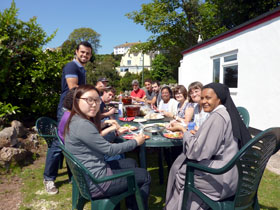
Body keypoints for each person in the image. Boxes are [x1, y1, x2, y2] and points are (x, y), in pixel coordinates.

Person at [164, 82, 251, 210]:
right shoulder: (226, 113)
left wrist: (183, 131)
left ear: (219, 98)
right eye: (202, 98)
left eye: (208, 98)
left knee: (180, 171)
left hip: (222, 178)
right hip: (230, 171)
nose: (203, 101)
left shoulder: (218, 117)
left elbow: (196, 151)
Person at [64, 84, 151, 210]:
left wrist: (115, 133)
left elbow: (96, 142)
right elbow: (109, 150)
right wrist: (136, 142)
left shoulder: (76, 119)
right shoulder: (82, 124)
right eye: (89, 100)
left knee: (131, 162)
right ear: (76, 101)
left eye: (96, 100)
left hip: (91, 173)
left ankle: (131, 205)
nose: (94, 104)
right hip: (98, 181)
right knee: (145, 176)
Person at [43, 41, 93, 195]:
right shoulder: (71, 66)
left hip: (75, 110)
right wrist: (93, 93)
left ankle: (74, 176)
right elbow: (74, 88)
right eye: (82, 52)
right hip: (67, 110)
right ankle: (49, 179)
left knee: (74, 142)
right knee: (59, 144)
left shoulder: (81, 69)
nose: (85, 55)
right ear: (76, 52)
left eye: (88, 53)